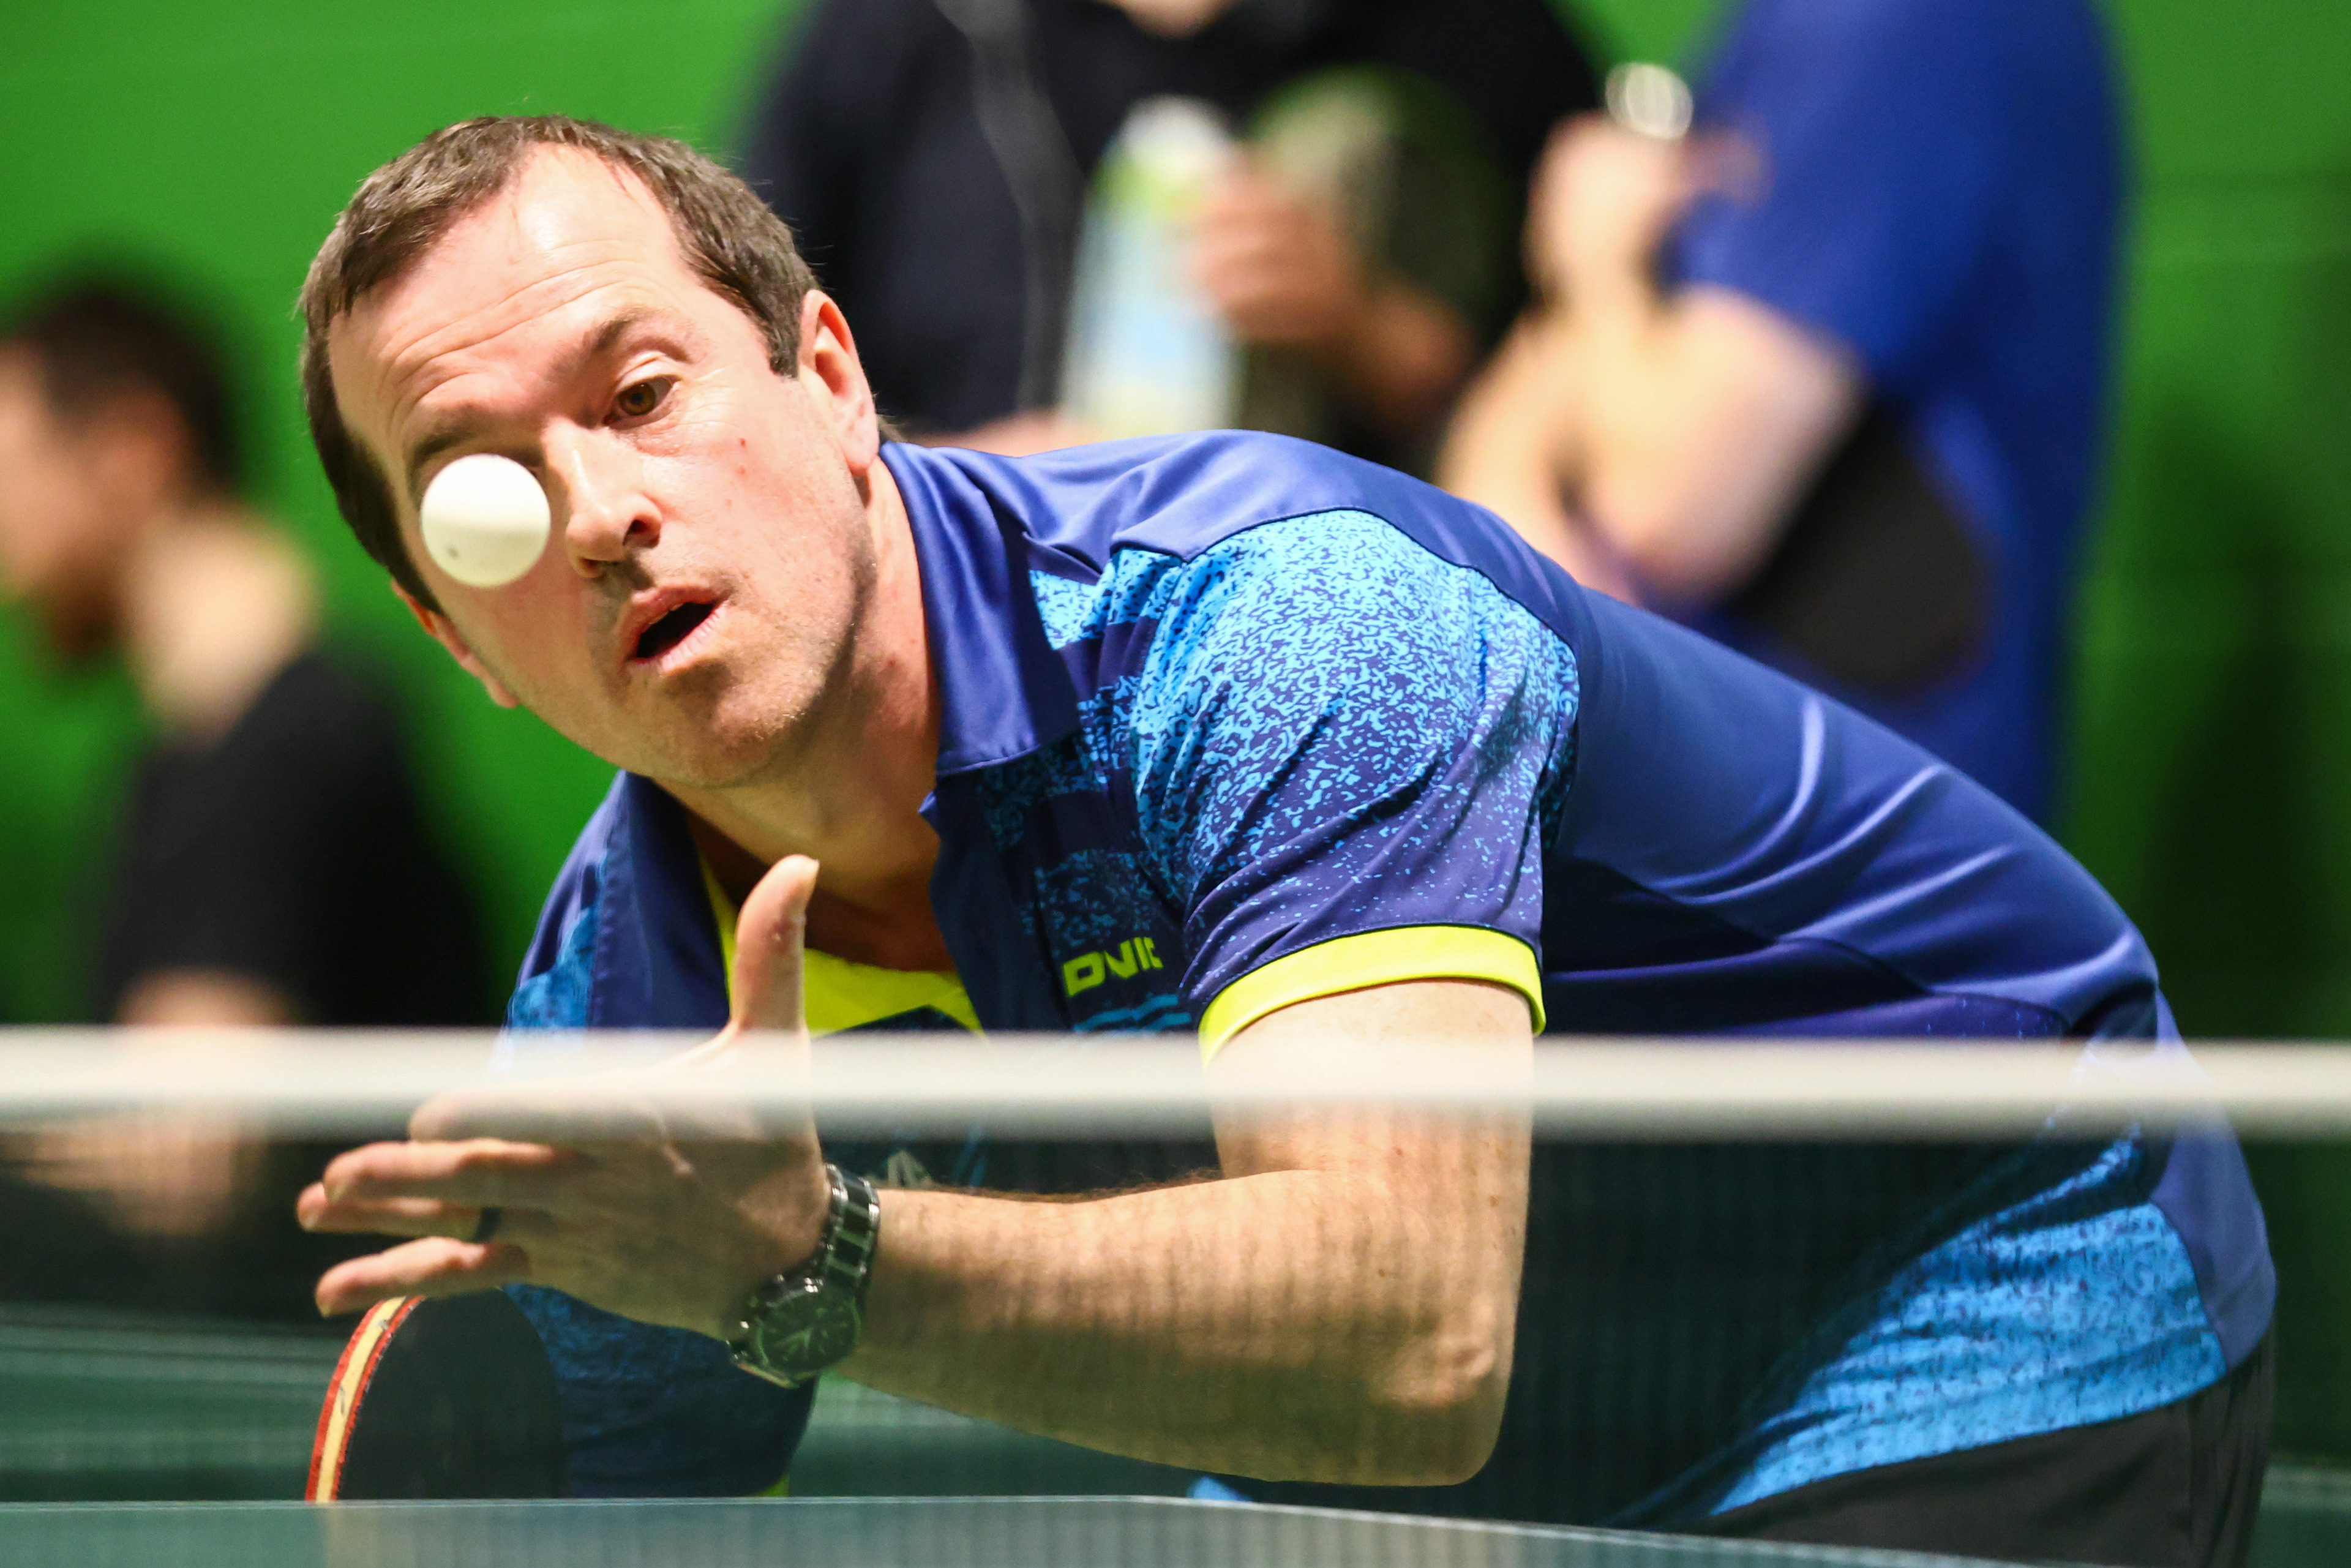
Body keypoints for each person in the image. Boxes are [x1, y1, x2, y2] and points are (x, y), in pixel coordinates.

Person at [291, 118, 2270, 1565]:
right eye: (481, 500)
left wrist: (814, 1262)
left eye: (643, 391)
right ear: (459, 634)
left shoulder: (1272, 626)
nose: (597, 513)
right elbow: (562, 1488)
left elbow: (1406, 1331)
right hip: (1489, 1442)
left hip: (1951, 1281)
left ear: (830, 381)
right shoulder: (626, 989)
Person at [1440, 0, 2122, 825]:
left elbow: (1667, 511)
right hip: (1755, 851)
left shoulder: (1888, 27)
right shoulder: (1809, 38)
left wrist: (1594, 273)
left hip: (1831, 872)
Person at [0, 275, 493, 1316]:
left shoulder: (285, 746)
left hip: (306, 1412)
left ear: (134, 450)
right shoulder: (200, 753)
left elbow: (180, 1162)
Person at [740, 0, 1597, 468]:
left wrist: (1363, 330)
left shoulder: (1478, 36)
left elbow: (1619, 430)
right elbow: (754, 385)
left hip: (1330, 650)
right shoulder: (894, 34)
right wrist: (958, 486)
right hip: (957, 647)